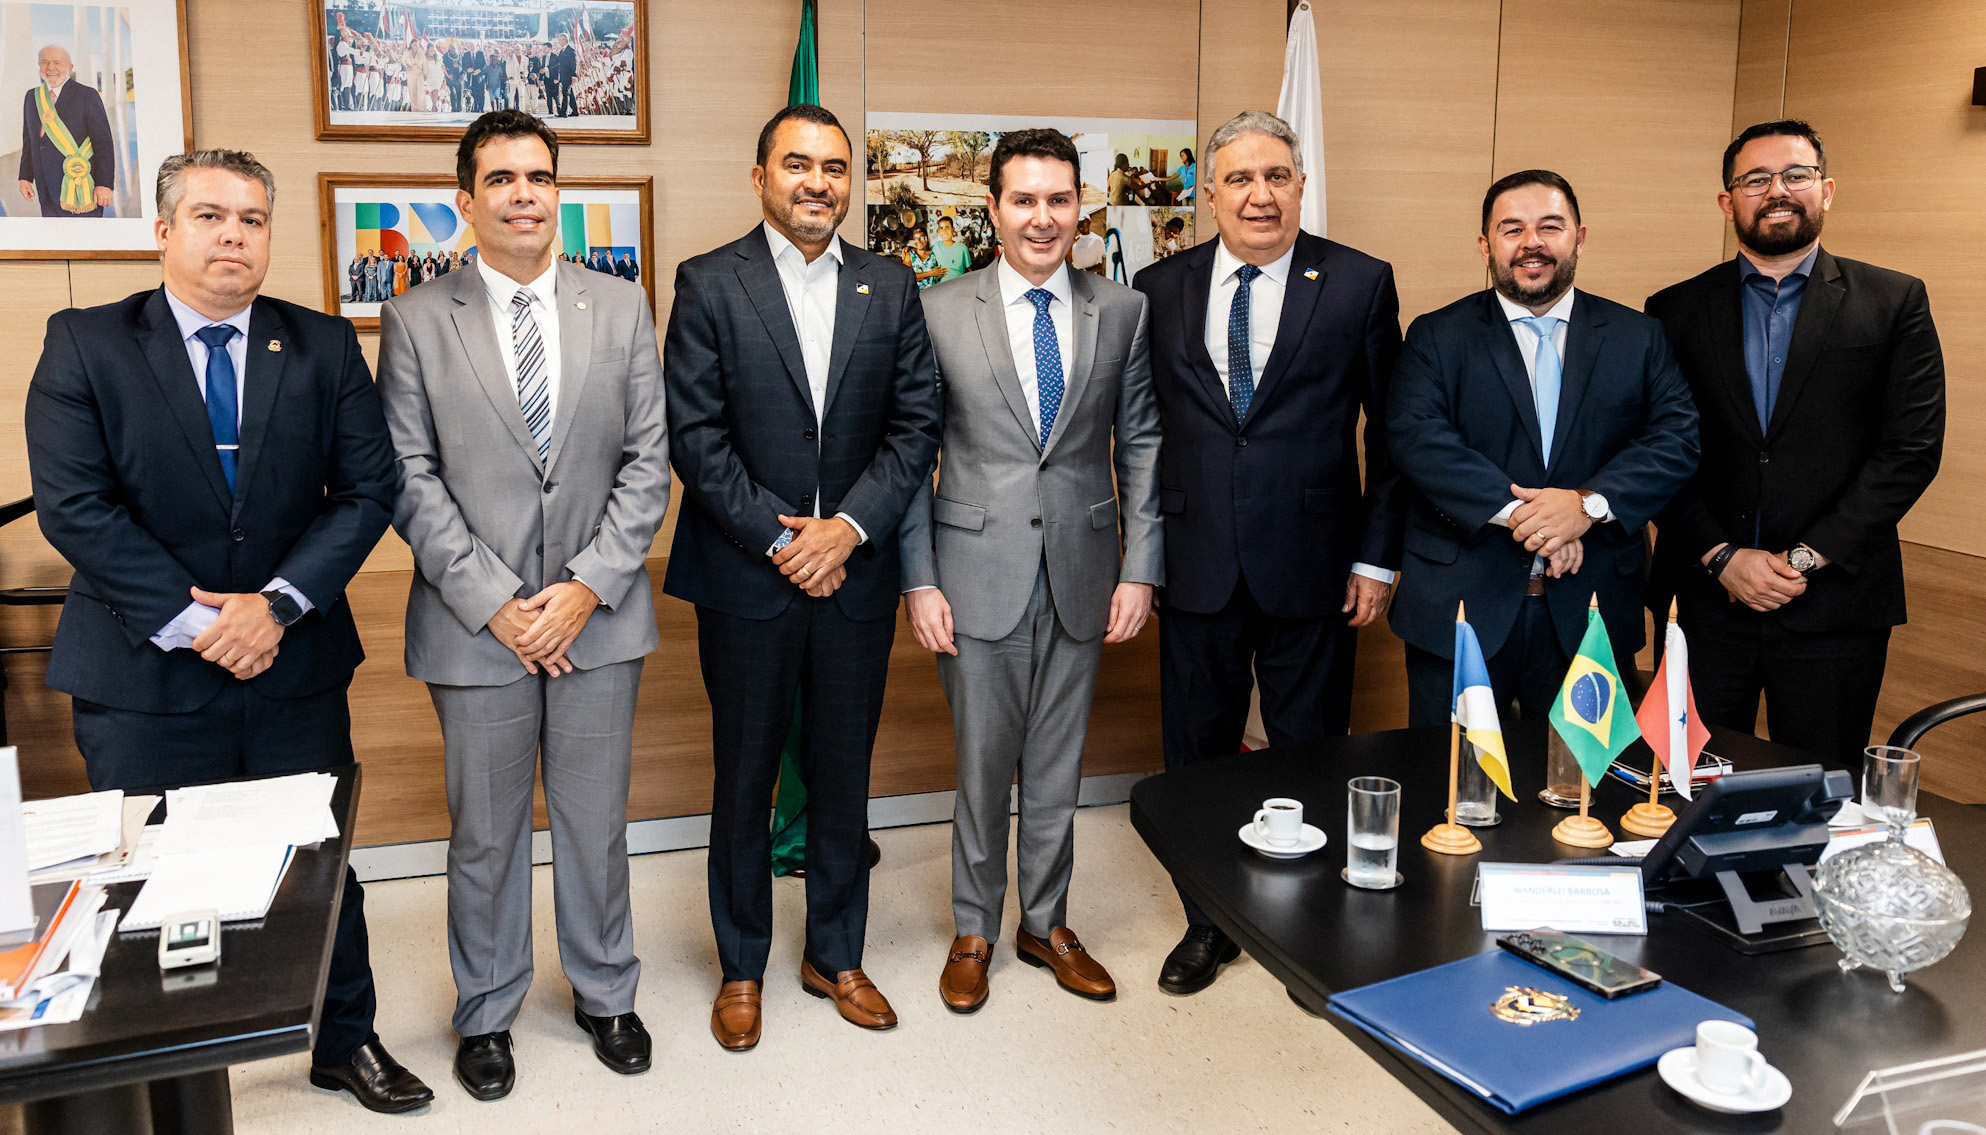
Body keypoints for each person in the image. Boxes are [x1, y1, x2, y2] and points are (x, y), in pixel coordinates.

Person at [23, 149, 431, 1114]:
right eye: (209, 216)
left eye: (251, 219)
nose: (232, 236)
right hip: (143, 670)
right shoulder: (86, 341)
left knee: (319, 861)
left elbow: (368, 488)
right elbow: (74, 506)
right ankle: (152, 1065)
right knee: (145, 874)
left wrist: (276, 604)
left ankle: (345, 1038)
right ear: (164, 230)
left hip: (291, 663)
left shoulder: (322, 344)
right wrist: (202, 620)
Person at [377, 110, 669, 1101]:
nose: (523, 195)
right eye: (500, 179)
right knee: (486, 833)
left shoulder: (620, 307)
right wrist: (498, 601)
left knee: (595, 822)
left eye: (538, 177)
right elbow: (407, 475)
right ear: (466, 200)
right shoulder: (417, 319)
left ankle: (607, 991)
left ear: (558, 192)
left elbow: (649, 463)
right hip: (476, 629)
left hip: (599, 618)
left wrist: (585, 586)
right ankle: (488, 1009)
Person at [663, 103, 941, 1051]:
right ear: (760, 177)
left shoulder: (889, 284)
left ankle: (835, 953)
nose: (817, 182)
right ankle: (742, 964)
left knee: (842, 773)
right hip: (748, 578)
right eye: (797, 164)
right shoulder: (708, 281)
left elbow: (916, 425)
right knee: (744, 775)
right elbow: (695, 438)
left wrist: (847, 531)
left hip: (854, 578)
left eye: (833, 167)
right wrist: (787, 544)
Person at [1132, 111, 1407, 996]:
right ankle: (1208, 920)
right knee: (1197, 754)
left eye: (1277, 176)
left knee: (1310, 750)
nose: (1261, 194)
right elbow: (1141, 430)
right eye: (1241, 179)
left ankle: (1302, 926)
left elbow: (1390, 434)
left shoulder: (1359, 281)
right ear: (1209, 194)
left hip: (1316, 559)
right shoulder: (1157, 285)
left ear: (1300, 184)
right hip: (1195, 557)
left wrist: (1376, 558)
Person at [901, 129, 1160, 1013]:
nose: (1042, 218)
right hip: (973, 574)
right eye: (1024, 200)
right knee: (982, 766)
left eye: (1058, 199)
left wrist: (1141, 568)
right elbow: (912, 455)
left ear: (1080, 207)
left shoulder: (1121, 310)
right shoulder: (938, 311)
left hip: (1085, 570)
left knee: (1057, 765)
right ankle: (975, 926)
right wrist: (918, 579)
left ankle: (1046, 922)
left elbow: (1142, 443)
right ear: (994, 209)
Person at [1645, 120, 1944, 764]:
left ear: (1826, 190)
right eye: (1755, 179)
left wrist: (1803, 560)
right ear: (1727, 202)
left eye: (1795, 175)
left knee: (1817, 789)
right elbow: (1658, 453)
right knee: (1687, 784)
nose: (1776, 190)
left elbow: (1911, 449)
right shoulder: (1672, 311)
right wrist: (1723, 557)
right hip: (1705, 603)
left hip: (1835, 606)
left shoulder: (1893, 301)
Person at [1388, 168, 1699, 728]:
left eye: (1550, 226)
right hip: (1461, 607)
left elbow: (1675, 438)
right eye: (1512, 229)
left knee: (1580, 776)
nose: (1531, 242)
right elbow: (1419, 440)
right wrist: (1531, 517)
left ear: (1580, 237)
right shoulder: (1437, 335)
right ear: (1485, 245)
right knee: (1454, 774)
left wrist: (1585, 507)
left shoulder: (1638, 336)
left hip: (1593, 605)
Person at [18, 45, 115, 218]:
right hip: (45, 188)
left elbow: (103, 144)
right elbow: (29, 141)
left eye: (57, 62)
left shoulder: (87, 95)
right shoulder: (32, 96)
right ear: (39, 66)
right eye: (45, 62)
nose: (50, 68)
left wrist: (104, 184)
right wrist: (25, 177)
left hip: (81, 187)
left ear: (70, 67)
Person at [932, 215, 972, 281]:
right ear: (938, 231)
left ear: (953, 230)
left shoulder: (962, 248)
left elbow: (969, 270)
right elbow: (925, 254)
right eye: (941, 228)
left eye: (947, 227)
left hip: (959, 284)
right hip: (943, 285)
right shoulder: (936, 246)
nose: (944, 231)